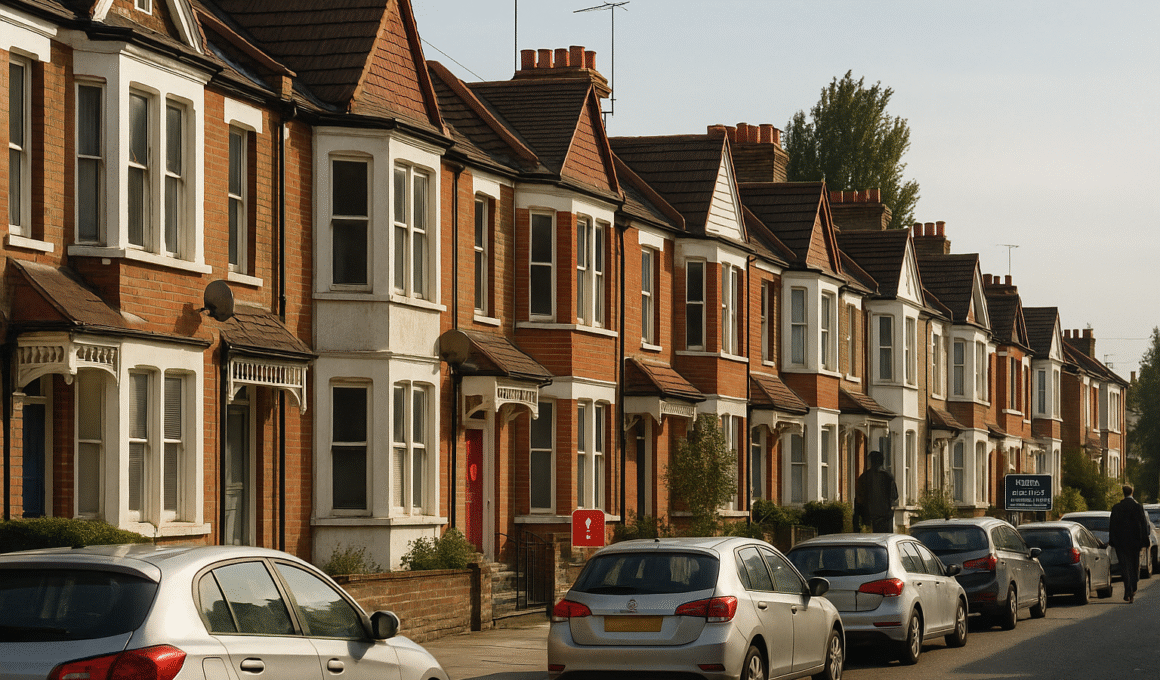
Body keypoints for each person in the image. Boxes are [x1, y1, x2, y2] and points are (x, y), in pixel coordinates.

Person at [1109, 483, 1150, 603]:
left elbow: (1112, 526)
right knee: (1134, 566)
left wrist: (1113, 541)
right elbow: (1143, 525)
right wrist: (1145, 541)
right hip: (1135, 543)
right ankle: (1133, 588)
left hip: (1121, 543)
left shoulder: (1116, 508)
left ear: (1123, 493)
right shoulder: (1138, 507)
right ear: (1132, 492)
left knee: (1125, 567)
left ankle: (1128, 590)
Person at [854, 450, 899, 533]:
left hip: (868, 519)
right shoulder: (888, 476)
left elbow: (859, 499)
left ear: (871, 462)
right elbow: (894, 496)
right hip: (885, 518)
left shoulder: (864, 477)